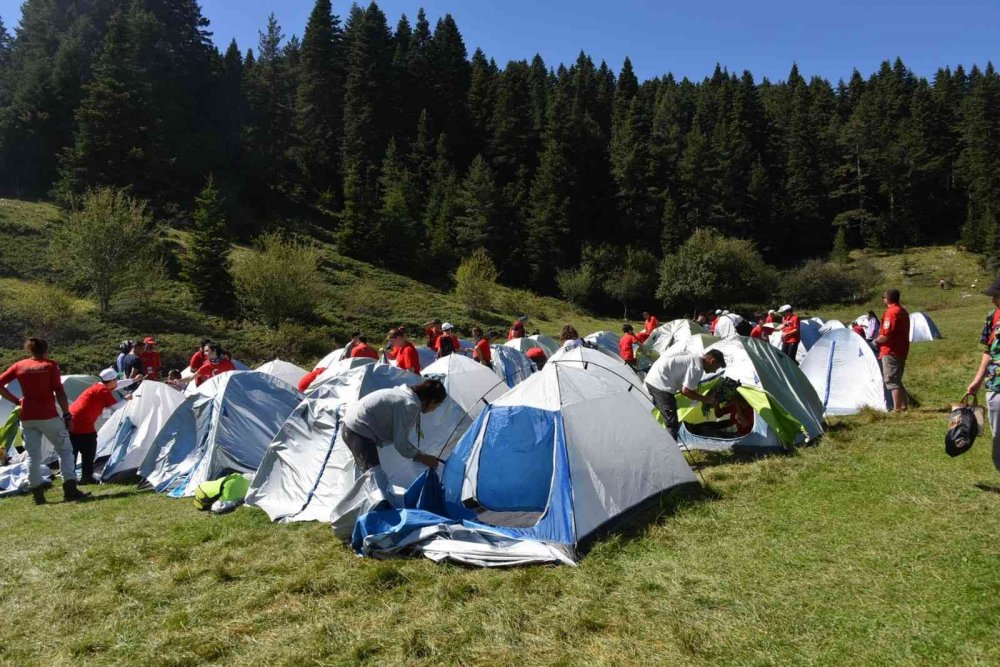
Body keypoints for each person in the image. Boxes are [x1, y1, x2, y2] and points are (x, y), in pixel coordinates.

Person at [0, 338, 90, 504]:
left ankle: (38, 496)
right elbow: (60, 392)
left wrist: (15, 401)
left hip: (27, 416)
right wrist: (67, 415)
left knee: (33, 457)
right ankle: (70, 489)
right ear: (46, 349)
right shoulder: (50, 365)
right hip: (48, 415)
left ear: (30, 350)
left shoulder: (19, 365)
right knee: (64, 450)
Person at [341, 379, 447, 472]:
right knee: (375, 480)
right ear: (432, 401)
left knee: (370, 480)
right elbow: (400, 443)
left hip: (351, 427)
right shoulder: (409, 405)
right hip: (359, 431)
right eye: (437, 406)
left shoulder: (404, 394)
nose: (434, 410)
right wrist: (423, 458)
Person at [645, 350, 726, 439]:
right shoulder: (697, 367)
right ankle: (671, 450)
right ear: (712, 361)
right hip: (660, 384)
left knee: (660, 415)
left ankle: (653, 438)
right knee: (672, 422)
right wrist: (706, 399)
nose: (714, 372)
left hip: (652, 378)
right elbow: (686, 391)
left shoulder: (696, 358)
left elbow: (688, 388)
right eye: (716, 367)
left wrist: (697, 396)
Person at [69, 368, 130, 485]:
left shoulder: (98, 385)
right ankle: (86, 477)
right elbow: (116, 407)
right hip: (82, 422)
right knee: (89, 449)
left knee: (74, 450)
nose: (117, 381)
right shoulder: (103, 391)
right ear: (111, 380)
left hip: (73, 419)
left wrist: (134, 380)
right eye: (116, 379)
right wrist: (126, 398)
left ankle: (71, 477)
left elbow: (117, 385)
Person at [966, 276, 1000, 473]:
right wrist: (977, 380)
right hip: (996, 384)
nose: (992, 300)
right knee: (998, 435)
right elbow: (988, 351)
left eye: (996, 295)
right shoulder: (993, 316)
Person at [875, 289, 910, 411]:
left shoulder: (891, 313)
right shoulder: (903, 311)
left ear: (887, 299)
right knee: (897, 379)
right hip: (902, 349)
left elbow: (886, 334)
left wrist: (876, 341)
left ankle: (897, 409)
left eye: (883, 297)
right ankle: (905, 406)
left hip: (891, 350)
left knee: (891, 379)